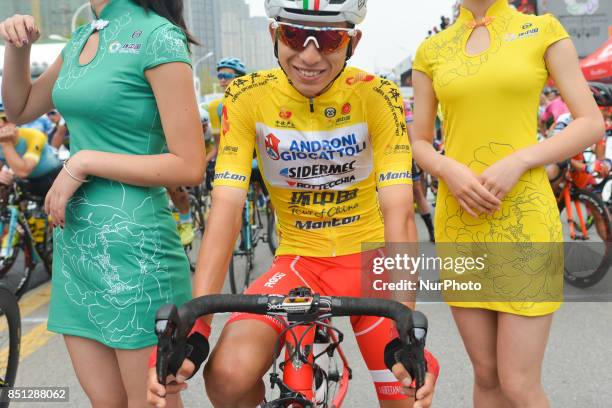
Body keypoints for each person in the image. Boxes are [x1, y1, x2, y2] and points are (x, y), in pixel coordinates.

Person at [148, 0, 440, 407]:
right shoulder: (247, 96)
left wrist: (405, 324)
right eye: (293, 35)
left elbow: (398, 212)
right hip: (298, 263)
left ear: (352, 43)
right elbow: (227, 209)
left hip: (370, 262)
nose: (309, 54)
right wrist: (196, 325)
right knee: (228, 375)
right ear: (273, 35)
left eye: (328, 38)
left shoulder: (378, 95)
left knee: (405, 393)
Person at [0, 1, 205, 407]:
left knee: (151, 403)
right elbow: (20, 109)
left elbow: (190, 163)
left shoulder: (158, 36)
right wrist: (17, 47)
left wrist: (84, 161)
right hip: (77, 249)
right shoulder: (84, 35)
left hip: (136, 254)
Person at [411, 1, 604, 407]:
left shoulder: (543, 31)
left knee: (518, 383)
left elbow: (589, 122)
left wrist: (521, 159)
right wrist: (448, 169)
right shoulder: (432, 50)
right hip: (460, 220)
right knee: (486, 376)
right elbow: (420, 142)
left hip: (525, 218)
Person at [167, 108, 211, 246]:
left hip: (198, 155)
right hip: (183, 151)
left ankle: (186, 221)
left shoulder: (208, 132)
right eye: (200, 126)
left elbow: (211, 149)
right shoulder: (186, 130)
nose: (203, 129)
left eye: (204, 126)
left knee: (177, 186)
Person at [0, 104, 61, 197]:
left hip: (55, 177)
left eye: (5, 119)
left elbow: (23, 171)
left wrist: (6, 143)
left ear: (15, 121)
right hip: (30, 184)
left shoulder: (33, 135)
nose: (1, 124)